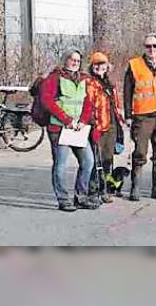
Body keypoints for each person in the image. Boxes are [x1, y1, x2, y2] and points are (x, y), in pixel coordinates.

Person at [41, 49, 98, 211]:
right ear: (65, 60)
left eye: (78, 61)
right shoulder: (54, 78)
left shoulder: (83, 79)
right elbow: (47, 102)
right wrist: (66, 120)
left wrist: (83, 121)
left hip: (77, 129)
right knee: (61, 165)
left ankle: (81, 196)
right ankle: (63, 199)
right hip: (59, 128)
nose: (75, 63)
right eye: (72, 59)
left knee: (88, 161)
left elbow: (88, 102)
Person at [123, 33, 156, 201]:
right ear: (144, 48)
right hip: (142, 116)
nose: (151, 49)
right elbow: (127, 91)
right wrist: (128, 115)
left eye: (155, 46)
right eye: (148, 46)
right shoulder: (134, 65)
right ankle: (135, 187)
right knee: (139, 152)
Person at [85, 52, 123, 205]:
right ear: (92, 66)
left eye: (103, 64)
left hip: (111, 125)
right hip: (97, 126)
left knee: (107, 160)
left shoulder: (110, 83)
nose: (100, 67)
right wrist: (92, 123)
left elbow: (116, 105)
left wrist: (121, 120)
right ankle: (93, 191)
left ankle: (105, 189)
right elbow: (88, 105)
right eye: (97, 64)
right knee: (95, 160)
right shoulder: (89, 83)